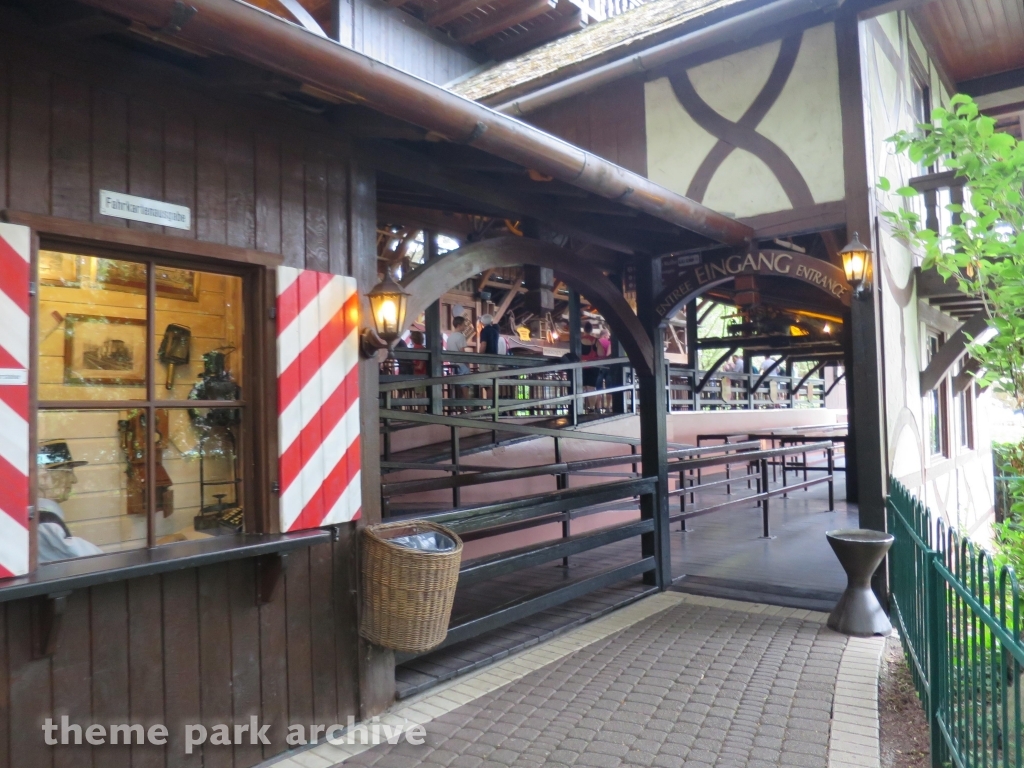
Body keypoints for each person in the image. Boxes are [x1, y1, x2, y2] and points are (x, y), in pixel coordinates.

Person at [37, 441, 103, 562]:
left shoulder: (40, 518)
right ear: (42, 478)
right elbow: (86, 558)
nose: (74, 480)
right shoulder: (45, 523)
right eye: (68, 472)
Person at [446, 316, 472, 408]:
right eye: (463, 325)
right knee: (465, 386)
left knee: (457, 387)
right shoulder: (461, 337)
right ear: (459, 325)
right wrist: (467, 363)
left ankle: (460, 408)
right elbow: (462, 352)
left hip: (452, 365)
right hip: (460, 364)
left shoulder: (450, 337)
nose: (465, 327)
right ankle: (468, 409)